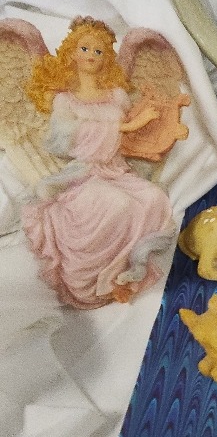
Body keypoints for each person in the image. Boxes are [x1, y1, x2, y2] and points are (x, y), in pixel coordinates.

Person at [22, 17, 176, 309]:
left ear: (107, 58)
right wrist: (122, 127)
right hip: (83, 174)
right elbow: (61, 142)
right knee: (118, 205)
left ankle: (129, 270)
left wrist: (146, 123)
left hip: (118, 170)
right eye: (84, 48)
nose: (91, 55)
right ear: (71, 53)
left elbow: (132, 138)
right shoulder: (64, 100)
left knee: (155, 198)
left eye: (99, 51)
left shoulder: (117, 95)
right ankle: (94, 282)